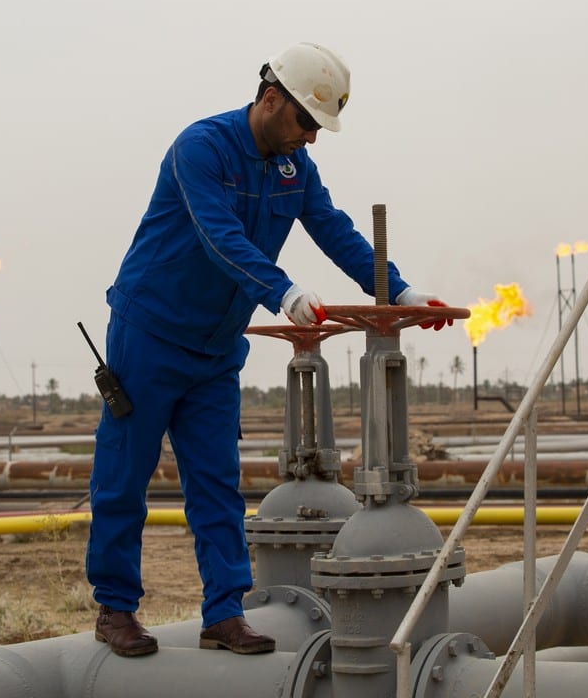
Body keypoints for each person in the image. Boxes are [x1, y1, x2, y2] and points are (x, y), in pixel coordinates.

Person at [86, 42, 452, 657]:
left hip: (213, 349)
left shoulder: (294, 170)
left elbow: (336, 231)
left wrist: (404, 291)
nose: (310, 138)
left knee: (217, 483)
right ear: (271, 98)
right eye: (306, 121)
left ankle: (224, 614)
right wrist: (283, 293)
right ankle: (116, 609)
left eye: (319, 128)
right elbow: (218, 236)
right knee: (123, 476)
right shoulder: (200, 149)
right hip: (149, 333)